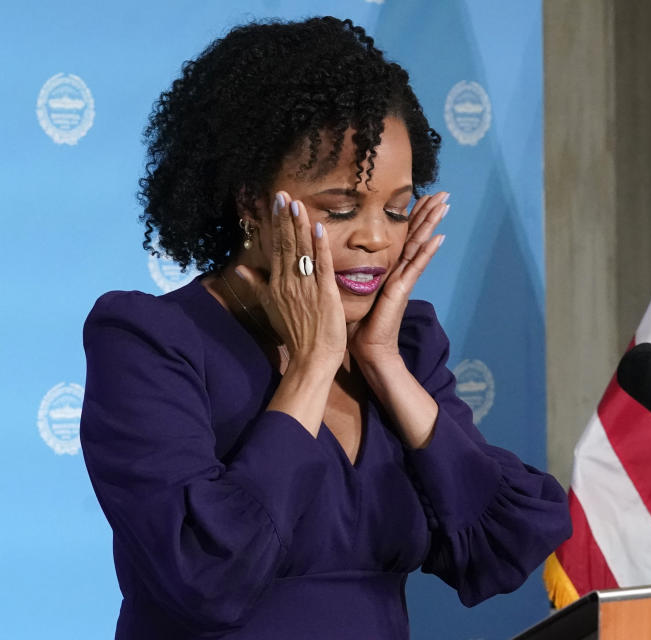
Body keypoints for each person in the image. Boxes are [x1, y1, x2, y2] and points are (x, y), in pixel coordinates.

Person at [79, 16, 571, 640]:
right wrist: (313, 367)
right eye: (340, 209)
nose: (374, 237)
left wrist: (384, 365)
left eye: (397, 210)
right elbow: (203, 575)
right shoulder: (152, 342)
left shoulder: (405, 348)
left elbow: (501, 543)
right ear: (252, 202)